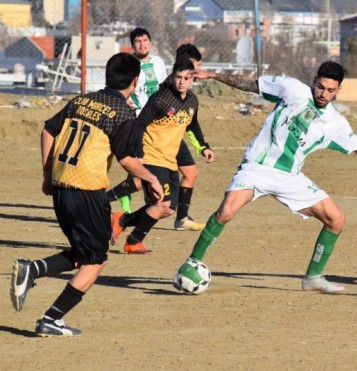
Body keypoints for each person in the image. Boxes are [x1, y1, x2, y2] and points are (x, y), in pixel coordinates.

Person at [175, 61, 357, 293]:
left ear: (338, 90)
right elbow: (251, 85)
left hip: (290, 177)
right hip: (257, 167)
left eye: (330, 90)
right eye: (321, 87)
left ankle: (313, 278)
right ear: (315, 80)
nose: (323, 94)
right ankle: (192, 261)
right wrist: (214, 75)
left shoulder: (335, 122)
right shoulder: (294, 89)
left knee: (336, 219)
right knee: (226, 211)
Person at [9, 52, 164, 337]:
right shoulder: (123, 114)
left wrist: (47, 175)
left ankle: (33, 270)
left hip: (62, 189)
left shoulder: (80, 101)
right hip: (87, 194)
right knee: (96, 260)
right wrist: (152, 178)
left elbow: (47, 131)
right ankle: (51, 319)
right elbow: (128, 161)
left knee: (85, 252)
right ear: (135, 81)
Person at [111, 57, 211, 254]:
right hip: (152, 156)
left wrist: (204, 147)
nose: (182, 81)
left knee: (168, 209)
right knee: (161, 204)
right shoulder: (161, 99)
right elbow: (139, 124)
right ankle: (133, 241)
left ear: (192, 80)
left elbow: (192, 124)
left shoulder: (192, 100)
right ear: (172, 77)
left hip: (170, 160)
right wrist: (139, 154)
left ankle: (122, 220)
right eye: (178, 77)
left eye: (186, 78)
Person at [107, 27, 167, 214]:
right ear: (132, 45)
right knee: (140, 159)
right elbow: (114, 87)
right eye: (137, 41)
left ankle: (126, 192)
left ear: (150, 42)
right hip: (136, 119)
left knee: (142, 160)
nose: (142, 44)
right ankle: (129, 196)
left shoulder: (158, 62)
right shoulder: (128, 63)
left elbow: (164, 87)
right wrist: (125, 102)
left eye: (145, 40)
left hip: (157, 120)